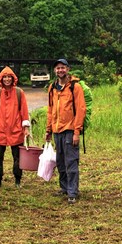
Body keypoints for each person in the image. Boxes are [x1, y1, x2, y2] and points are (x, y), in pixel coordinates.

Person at [45, 58, 87, 204]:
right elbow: (50, 110)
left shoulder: (75, 87)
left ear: (68, 69)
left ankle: (73, 192)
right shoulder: (52, 88)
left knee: (71, 162)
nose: (60, 70)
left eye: (63, 67)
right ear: (55, 71)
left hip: (69, 130)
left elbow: (81, 110)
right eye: (58, 68)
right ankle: (64, 188)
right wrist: (48, 130)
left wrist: (77, 132)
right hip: (57, 131)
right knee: (60, 162)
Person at [0, 66, 30, 189]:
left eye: (9, 76)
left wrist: (26, 128)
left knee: (17, 157)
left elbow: (24, 111)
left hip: (16, 131)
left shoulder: (19, 93)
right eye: (4, 77)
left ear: (13, 78)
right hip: (0, 131)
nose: (7, 79)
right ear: (1, 79)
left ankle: (17, 180)